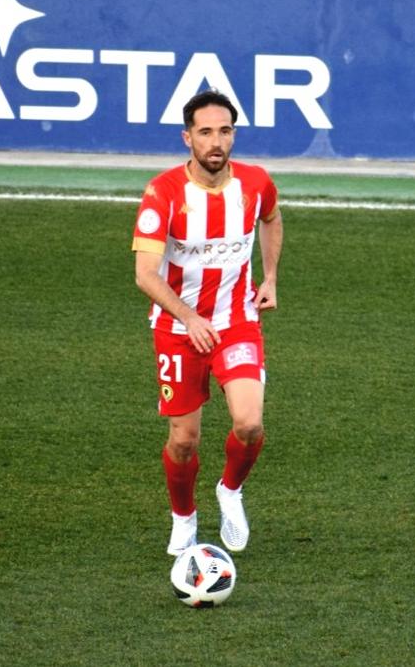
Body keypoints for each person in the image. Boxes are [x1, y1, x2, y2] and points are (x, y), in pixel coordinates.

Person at [131, 89, 283, 556]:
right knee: (184, 439)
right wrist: (189, 316)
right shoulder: (164, 193)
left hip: (236, 321)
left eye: (225, 131)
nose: (216, 142)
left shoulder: (256, 183)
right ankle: (184, 519)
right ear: (187, 138)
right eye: (205, 133)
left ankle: (230, 491)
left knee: (250, 424)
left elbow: (272, 219)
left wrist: (271, 277)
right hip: (178, 330)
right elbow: (144, 274)